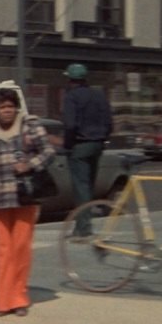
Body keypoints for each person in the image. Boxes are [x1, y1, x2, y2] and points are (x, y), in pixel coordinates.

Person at [0, 89, 56, 317]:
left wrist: (30, 164)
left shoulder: (29, 126)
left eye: (10, 107)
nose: (7, 111)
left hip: (25, 196)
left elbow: (49, 151)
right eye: (2, 107)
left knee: (21, 249)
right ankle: (3, 302)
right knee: (2, 250)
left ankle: (19, 298)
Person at [61, 63, 113, 237]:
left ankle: (83, 228)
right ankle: (86, 224)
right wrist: (102, 138)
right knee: (89, 186)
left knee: (81, 187)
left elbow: (70, 125)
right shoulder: (99, 95)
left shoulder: (71, 97)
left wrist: (67, 145)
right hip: (97, 144)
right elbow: (109, 122)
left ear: (70, 79)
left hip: (80, 145)